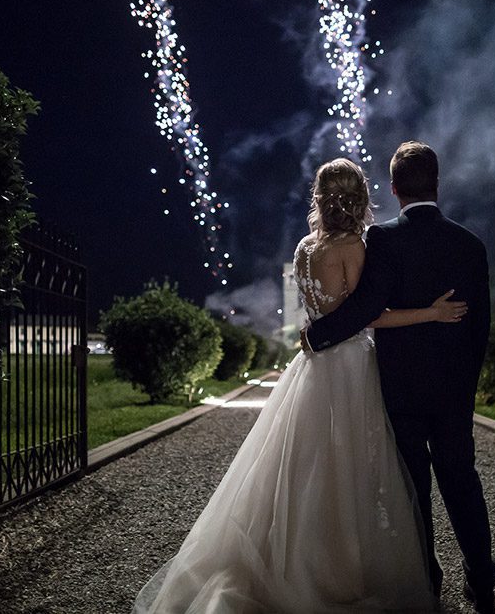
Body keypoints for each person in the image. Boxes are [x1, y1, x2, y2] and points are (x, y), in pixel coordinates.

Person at [132, 156, 464, 613]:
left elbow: (322, 315)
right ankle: (340, 565)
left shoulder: (306, 247)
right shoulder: (354, 248)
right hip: (349, 367)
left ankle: (292, 555)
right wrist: (431, 312)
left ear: (321, 199)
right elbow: (366, 317)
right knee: (351, 467)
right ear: (361, 199)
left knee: (306, 467)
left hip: (311, 367)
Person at [303, 141, 495, 614]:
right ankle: (483, 584)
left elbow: (368, 309)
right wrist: (464, 391)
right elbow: (480, 328)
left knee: (413, 487)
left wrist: (318, 334)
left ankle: (428, 581)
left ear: (393, 189)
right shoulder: (471, 245)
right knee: (462, 481)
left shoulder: (384, 240)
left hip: (401, 390)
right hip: (453, 392)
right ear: (437, 183)